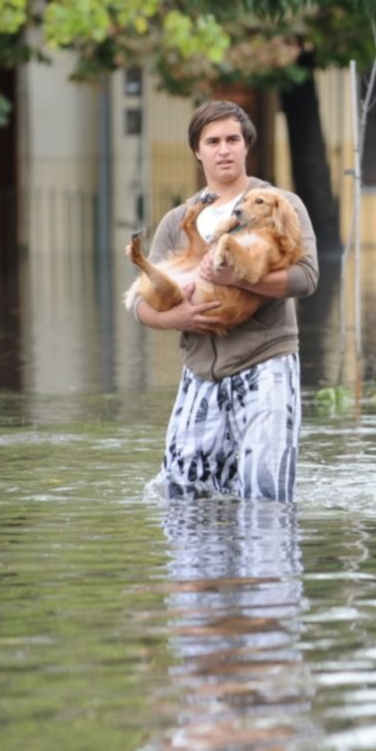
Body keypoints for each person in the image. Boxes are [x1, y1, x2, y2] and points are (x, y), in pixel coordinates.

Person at [135, 100, 319, 502]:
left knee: (265, 495)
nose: (224, 149)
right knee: (181, 494)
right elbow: (142, 305)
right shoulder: (176, 220)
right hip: (200, 372)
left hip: (266, 362)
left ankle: (262, 565)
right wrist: (176, 317)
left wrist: (238, 275)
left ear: (246, 145)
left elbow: (306, 278)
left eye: (232, 139)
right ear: (197, 151)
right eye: (213, 141)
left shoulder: (278, 204)